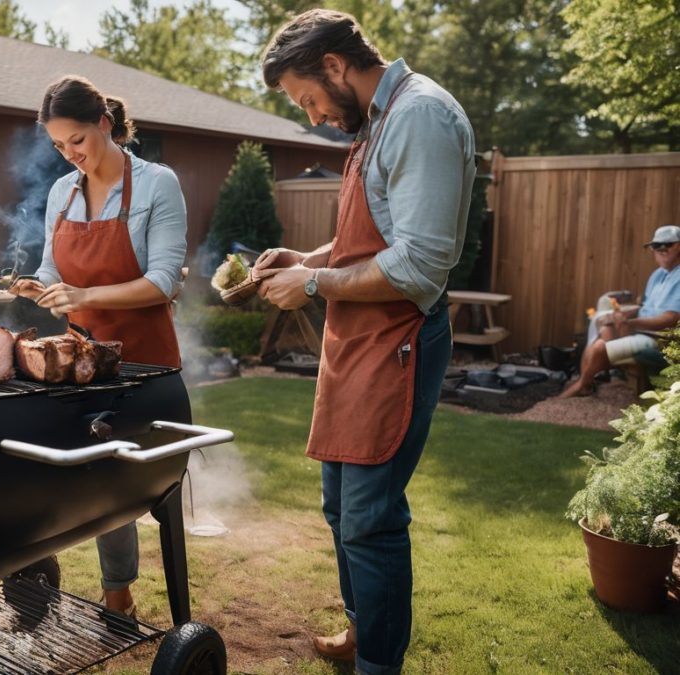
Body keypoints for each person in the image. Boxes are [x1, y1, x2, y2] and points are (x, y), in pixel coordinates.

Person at [252, 9, 475, 674]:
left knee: (370, 519)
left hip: (398, 341)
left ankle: (379, 662)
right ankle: (361, 628)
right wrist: (306, 257)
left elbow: (418, 265)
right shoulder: (378, 120)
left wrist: (311, 283)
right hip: (355, 343)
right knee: (339, 508)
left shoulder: (420, 116)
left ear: (334, 65)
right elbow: (372, 233)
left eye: (308, 99)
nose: (315, 116)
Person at [9, 75, 188, 617]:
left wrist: (84, 294)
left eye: (78, 140)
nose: (70, 155)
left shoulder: (157, 184)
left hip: (143, 366)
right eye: (58, 145)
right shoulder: (62, 192)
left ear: (105, 124)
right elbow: (52, 268)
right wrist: (38, 285)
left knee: (117, 481)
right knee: (67, 470)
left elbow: (163, 281)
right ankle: (53, 574)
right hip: (79, 361)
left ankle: (117, 596)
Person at [560, 224, 680, 398]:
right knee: (605, 328)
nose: (661, 250)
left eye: (667, 244)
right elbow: (645, 307)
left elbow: (672, 318)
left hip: (661, 338)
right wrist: (625, 315)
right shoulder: (657, 275)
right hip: (643, 330)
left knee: (600, 347)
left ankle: (582, 384)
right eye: (656, 245)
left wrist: (631, 323)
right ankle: (594, 380)